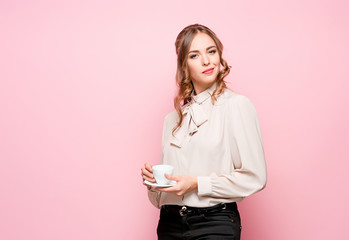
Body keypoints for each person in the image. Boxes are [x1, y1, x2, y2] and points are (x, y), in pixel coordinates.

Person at [141, 23, 267, 240]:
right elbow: (160, 199)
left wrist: (197, 183)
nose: (207, 61)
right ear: (184, 65)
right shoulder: (171, 120)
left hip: (214, 224)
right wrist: (154, 184)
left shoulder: (236, 106)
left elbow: (255, 178)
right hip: (169, 224)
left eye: (211, 51)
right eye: (194, 55)